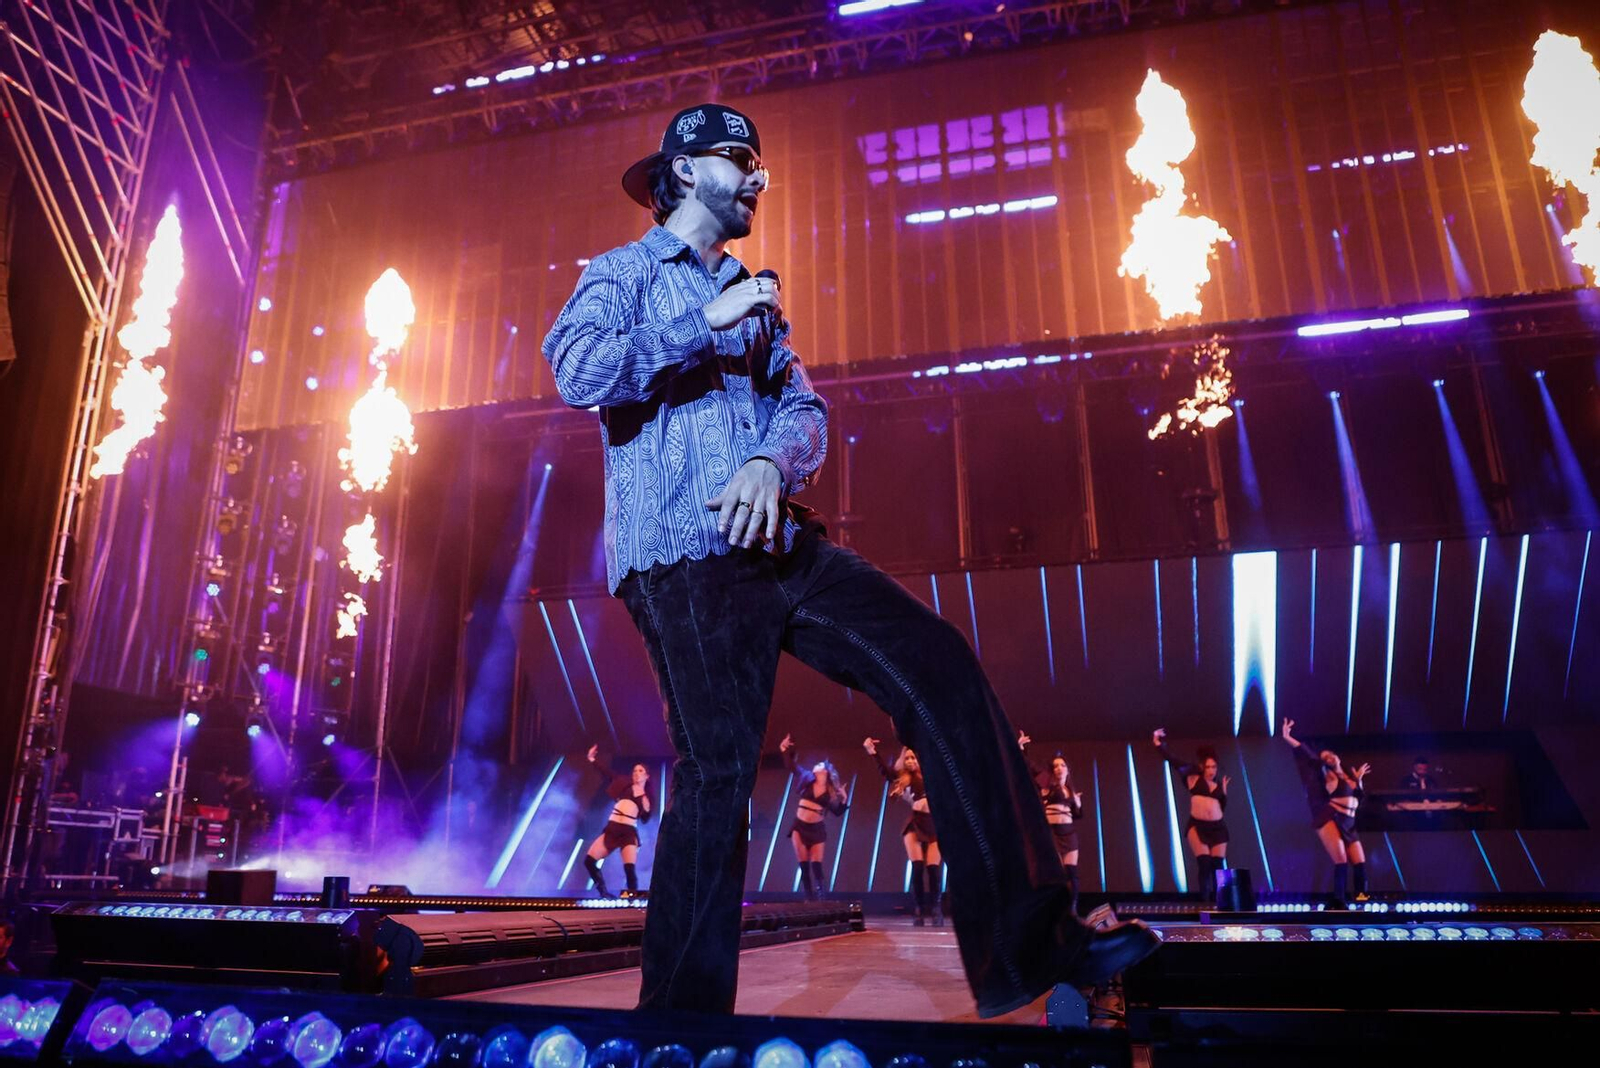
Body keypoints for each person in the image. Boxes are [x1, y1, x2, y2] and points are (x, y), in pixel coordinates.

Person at [542, 101, 1158, 1017]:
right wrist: (703, 321)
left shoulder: (756, 296)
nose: (758, 176)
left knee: (939, 667)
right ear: (684, 171)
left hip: (782, 549)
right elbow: (576, 371)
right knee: (719, 772)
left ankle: (1033, 946)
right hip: (684, 558)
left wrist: (768, 459)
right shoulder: (623, 274)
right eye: (740, 158)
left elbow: (805, 411)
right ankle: (678, 1027)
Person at [1281, 719, 1370, 902]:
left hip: (1349, 822)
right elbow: (1309, 756)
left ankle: (1362, 900)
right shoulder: (1328, 775)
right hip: (1331, 817)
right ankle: (1339, 901)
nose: (1328, 757)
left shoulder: (1350, 777)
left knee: (1359, 862)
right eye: (1325, 758)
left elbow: (1359, 799)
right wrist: (1288, 738)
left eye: (1330, 754)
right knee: (1341, 859)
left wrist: (1359, 780)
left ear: (1337, 756)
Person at [865, 737, 943, 925]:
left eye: (912, 757)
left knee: (933, 869)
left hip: (933, 824)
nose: (909, 761)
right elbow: (886, 772)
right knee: (917, 867)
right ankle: (919, 909)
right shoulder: (904, 778)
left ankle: (936, 909)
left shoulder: (933, 775)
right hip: (915, 823)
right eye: (906, 758)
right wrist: (873, 752)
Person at [1152, 729, 1230, 904]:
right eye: (1208, 767)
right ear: (1202, 766)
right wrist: (1158, 744)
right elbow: (1173, 761)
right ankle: (1205, 902)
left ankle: (1220, 903)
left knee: (1218, 866)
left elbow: (1221, 808)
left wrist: (1224, 792)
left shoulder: (1217, 785)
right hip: (1198, 826)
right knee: (1204, 864)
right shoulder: (1193, 777)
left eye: (1214, 767)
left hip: (1218, 828)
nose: (1211, 770)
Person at [1021, 732, 1086, 915]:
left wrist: (1078, 804)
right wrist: (1021, 749)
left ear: (1067, 770)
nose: (1059, 768)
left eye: (1062, 765)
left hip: (1069, 834)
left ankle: (1072, 911)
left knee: (1071, 874)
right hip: (1053, 834)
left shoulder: (1069, 790)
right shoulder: (1048, 783)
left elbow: (1077, 815)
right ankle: (1055, 912)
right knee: (1057, 875)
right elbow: (1032, 768)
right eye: (1056, 766)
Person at [778, 734, 849, 900]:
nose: (815, 766)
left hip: (817, 830)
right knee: (804, 866)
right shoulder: (806, 778)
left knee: (817, 864)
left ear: (825, 771)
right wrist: (783, 749)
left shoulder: (829, 793)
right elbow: (791, 765)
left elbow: (837, 812)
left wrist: (844, 798)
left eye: (819, 765)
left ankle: (821, 897)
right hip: (799, 827)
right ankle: (809, 897)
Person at [582, 745, 653, 898]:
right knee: (589, 861)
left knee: (629, 869)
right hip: (612, 829)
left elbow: (645, 819)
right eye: (634, 770)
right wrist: (592, 759)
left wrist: (646, 806)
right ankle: (603, 892)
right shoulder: (624, 784)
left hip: (628, 833)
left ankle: (632, 899)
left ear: (647, 776)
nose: (636, 773)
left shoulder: (646, 797)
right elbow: (607, 773)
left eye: (640, 771)